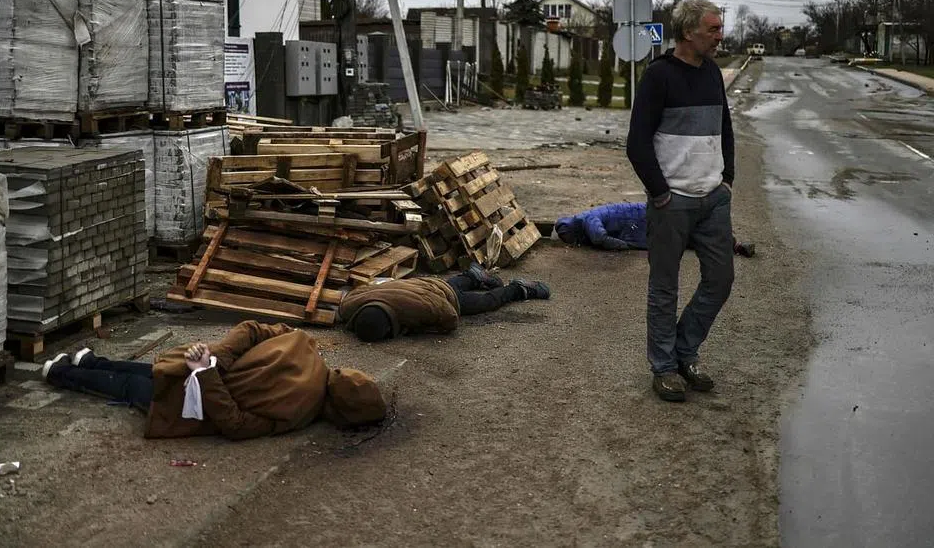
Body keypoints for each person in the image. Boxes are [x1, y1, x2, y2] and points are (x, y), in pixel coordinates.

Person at [626, 0, 735, 403]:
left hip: (713, 199)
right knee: (664, 287)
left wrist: (727, 179)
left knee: (720, 279)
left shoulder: (713, 74)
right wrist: (660, 193)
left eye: (720, 28)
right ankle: (665, 367)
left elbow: (725, 128)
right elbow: (637, 143)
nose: (720, 35)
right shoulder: (659, 76)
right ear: (688, 32)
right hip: (672, 201)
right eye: (713, 29)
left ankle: (685, 351)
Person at [41, 320, 387, 439]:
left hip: (196, 375)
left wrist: (216, 358)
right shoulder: (300, 413)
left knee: (150, 372)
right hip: (196, 399)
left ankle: (85, 362)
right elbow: (235, 425)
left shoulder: (304, 343)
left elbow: (251, 329)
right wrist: (209, 368)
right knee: (132, 387)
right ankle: (60, 372)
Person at [340, 263, 551, 343]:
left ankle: (517, 289)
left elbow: (450, 317)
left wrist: (424, 329)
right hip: (423, 282)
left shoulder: (417, 308)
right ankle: (473, 276)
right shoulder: (350, 305)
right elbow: (359, 290)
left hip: (443, 296)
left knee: (487, 301)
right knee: (450, 284)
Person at [555, 202, 756, 257]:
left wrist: (620, 245)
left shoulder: (587, 218)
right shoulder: (586, 218)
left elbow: (599, 236)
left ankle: (733, 243)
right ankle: (732, 244)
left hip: (642, 221)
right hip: (641, 222)